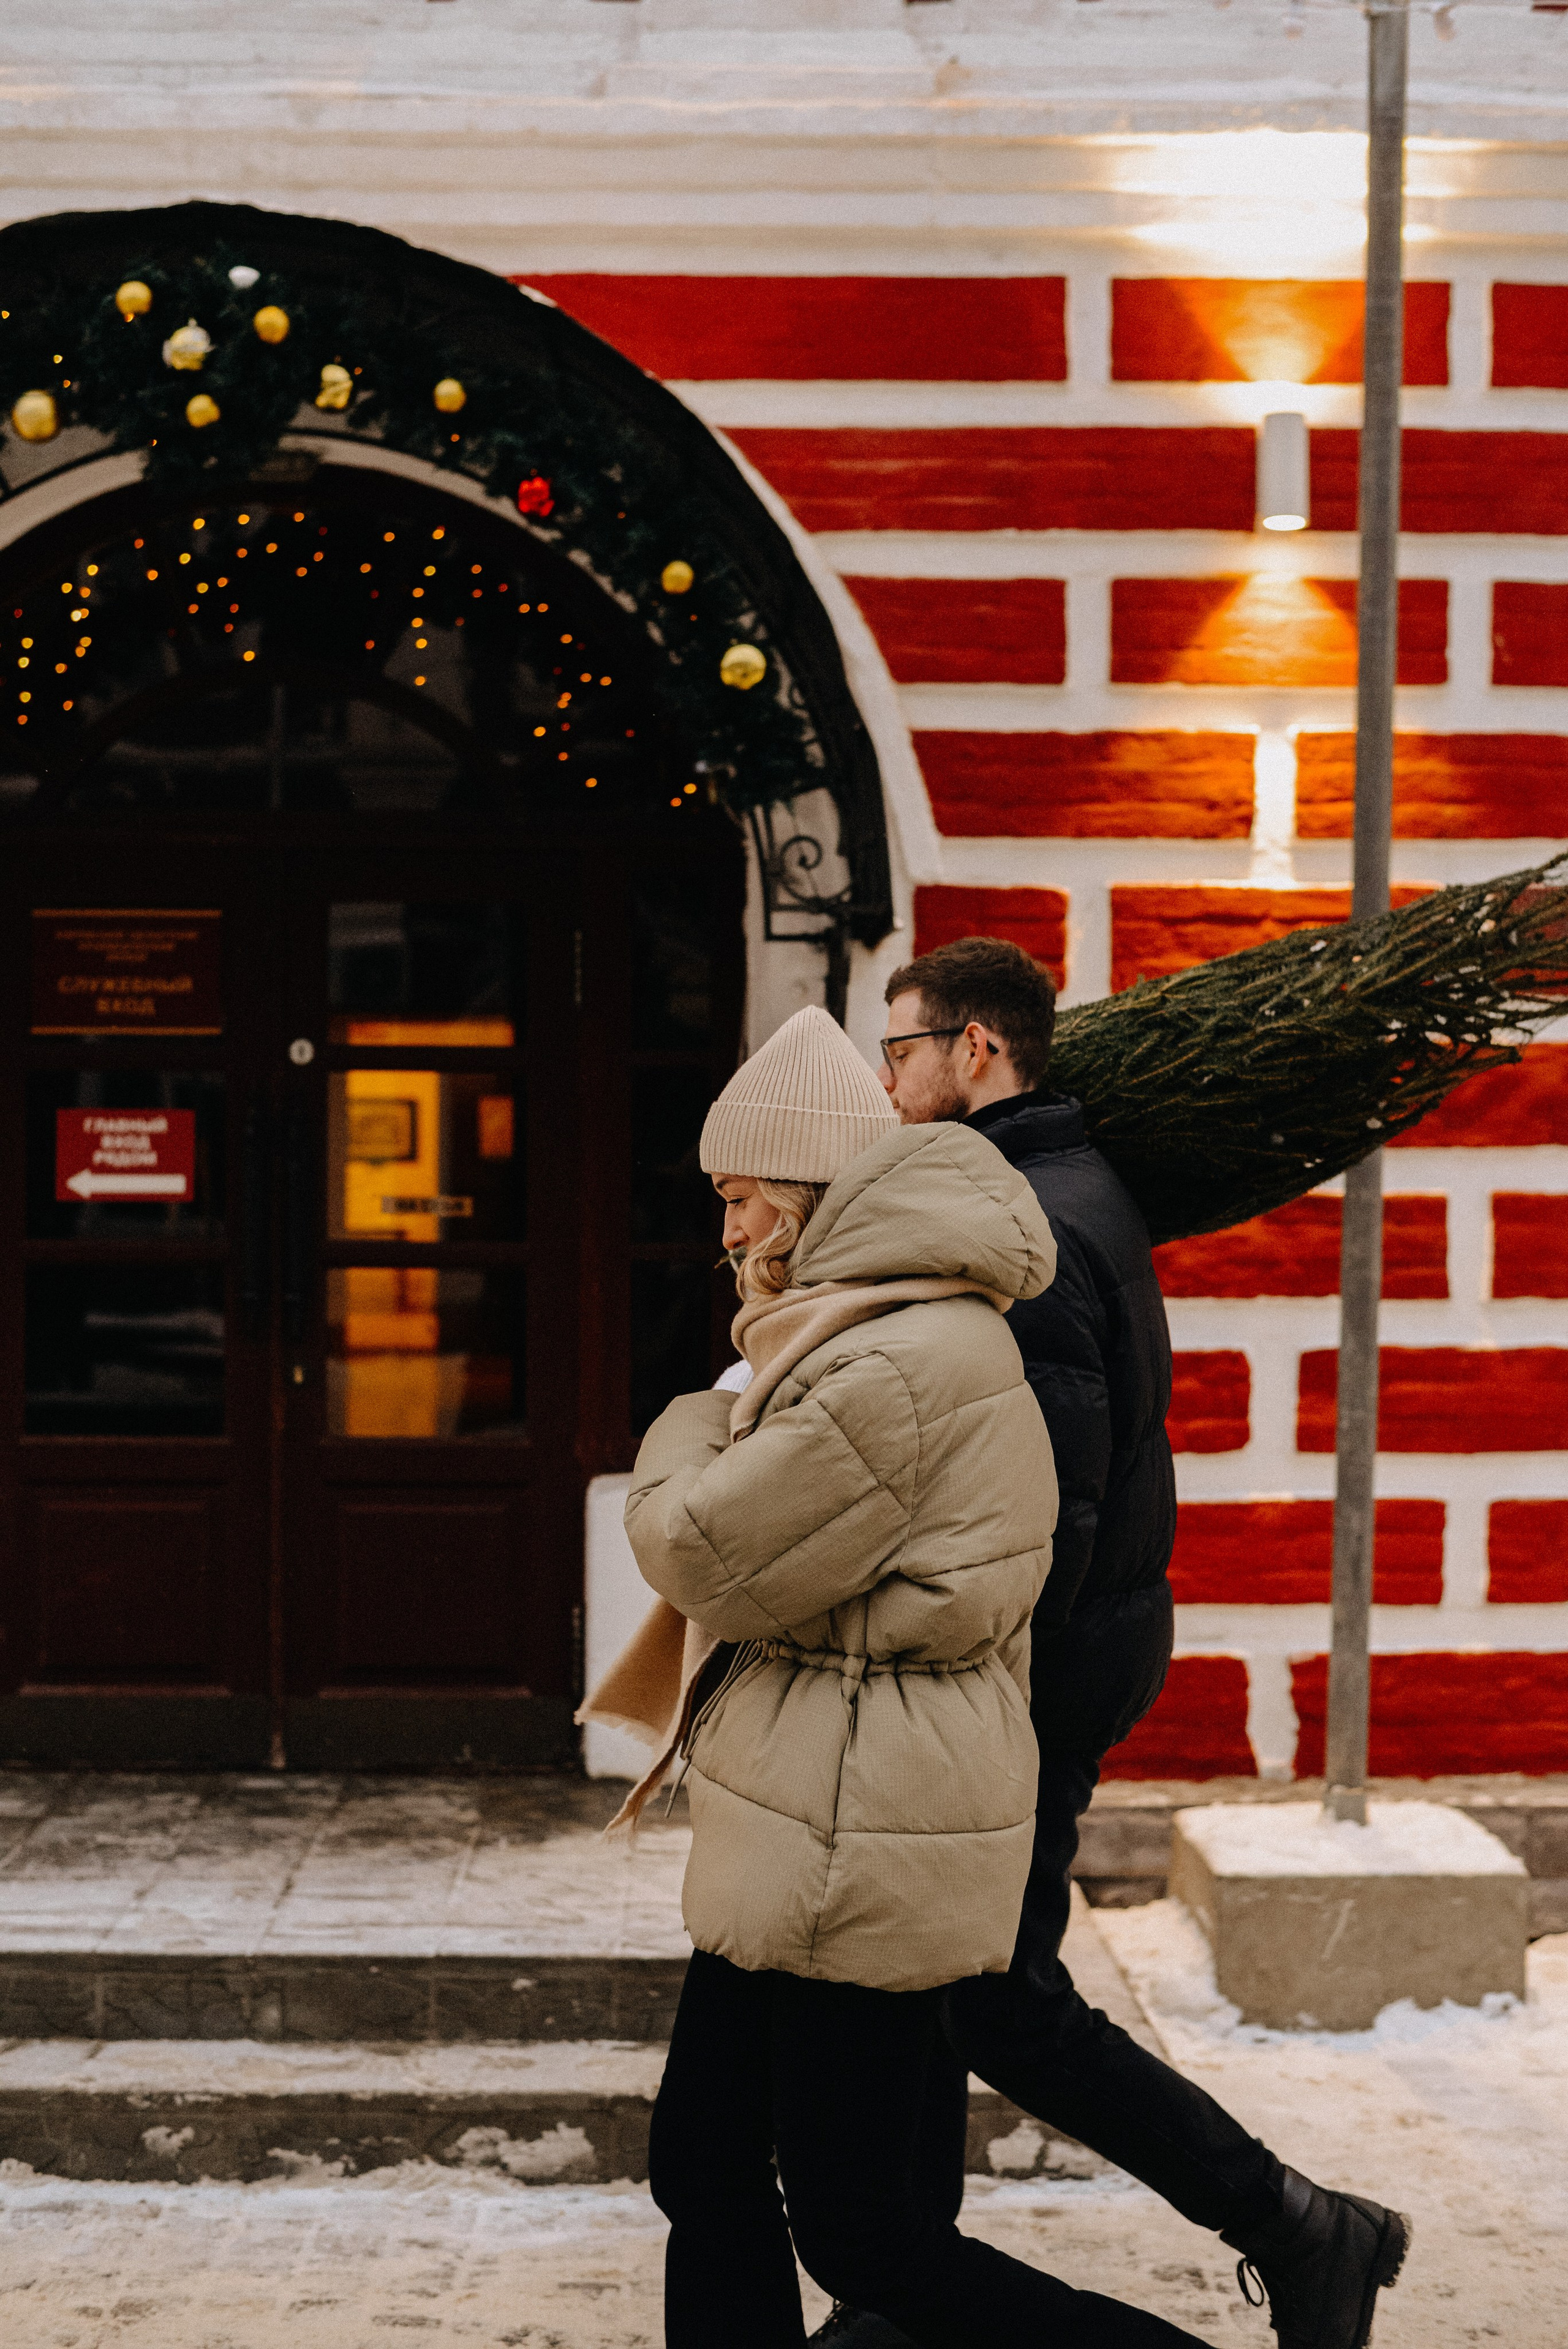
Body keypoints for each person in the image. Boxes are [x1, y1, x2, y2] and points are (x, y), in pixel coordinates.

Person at [810, 939, 1409, 2349]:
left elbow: (1050, 1508)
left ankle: (1296, 2223)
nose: (883, 1080)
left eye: (899, 1051)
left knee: (996, 2000)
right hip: (1059, 1666)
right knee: (943, 1983)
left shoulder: (1030, 1222)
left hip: (1028, 1679)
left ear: (975, 1052)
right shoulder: (1046, 1189)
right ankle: (898, 2284)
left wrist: (969, 1694)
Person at [616, 1003, 1214, 2349]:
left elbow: (699, 1547)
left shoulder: (895, 1355)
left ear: (816, 1192)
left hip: (865, 1822)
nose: (727, 1230)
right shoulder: (855, 1328)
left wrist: (691, 1421)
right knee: (705, 2165)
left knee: (863, 2232)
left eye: (742, 1196)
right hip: (812, 1808)